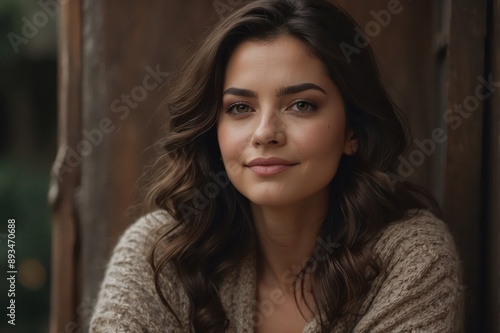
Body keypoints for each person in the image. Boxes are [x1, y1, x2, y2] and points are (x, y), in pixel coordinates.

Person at [89, 0, 464, 332]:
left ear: (353, 130)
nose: (265, 133)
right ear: (213, 132)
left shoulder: (410, 258)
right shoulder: (160, 253)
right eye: (240, 108)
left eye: (301, 105)